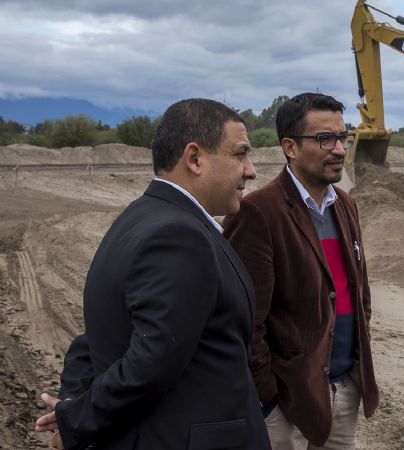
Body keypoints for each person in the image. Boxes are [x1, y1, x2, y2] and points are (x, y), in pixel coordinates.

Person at [35, 98, 270, 450]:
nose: (251, 170)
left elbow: (97, 339)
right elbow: (149, 365)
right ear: (194, 159)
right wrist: (76, 422)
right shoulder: (179, 237)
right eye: (240, 154)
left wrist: (74, 408)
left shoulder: (143, 216)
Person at [223, 92, 379, 450]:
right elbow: (244, 320)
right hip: (286, 401)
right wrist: (269, 397)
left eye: (343, 137)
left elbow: (359, 294)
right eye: (325, 139)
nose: (339, 149)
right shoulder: (258, 213)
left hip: (343, 389)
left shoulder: (345, 205)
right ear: (291, 147)